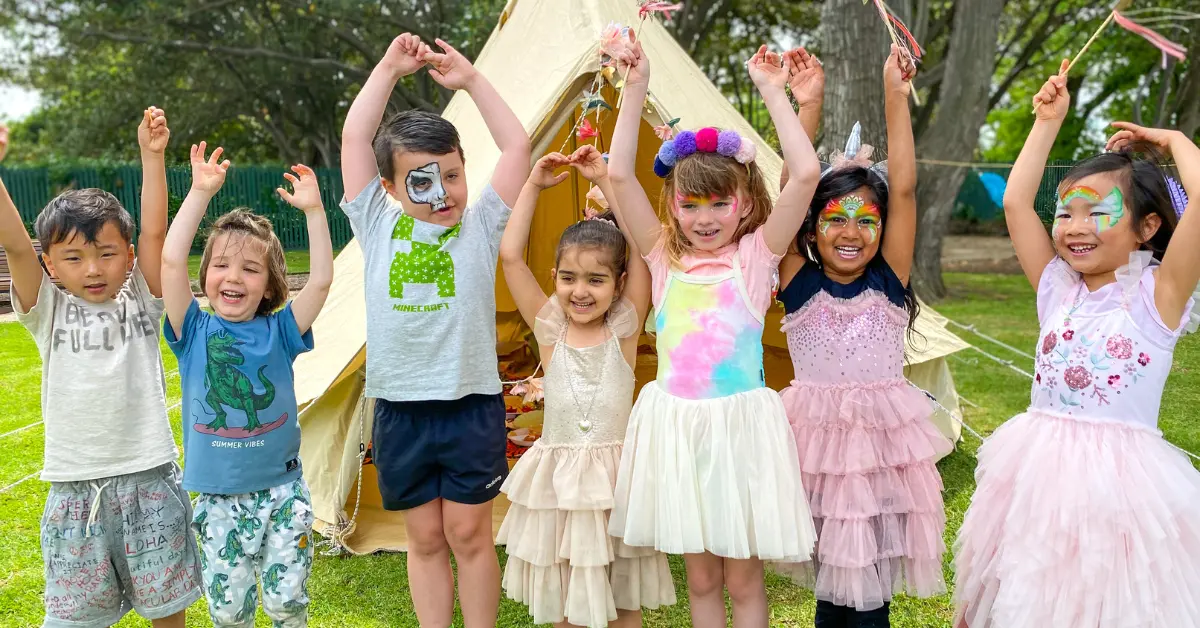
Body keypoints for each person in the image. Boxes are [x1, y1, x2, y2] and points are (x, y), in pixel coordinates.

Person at [953, 61, 1200, 628]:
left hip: (1119, 493)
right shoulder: (1055, 288)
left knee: (1096, 603)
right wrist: (1047, 122)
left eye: (1098, 213)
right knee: (1017, 592)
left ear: (1147, 228)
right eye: (1066, 212)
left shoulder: (1157, 298)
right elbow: (1017, 203)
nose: (1075, 226)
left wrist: (1173, 139)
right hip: (1035, 476)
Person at [605, 36, 819, 627]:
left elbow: (804, 174)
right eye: (690, 205)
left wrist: (773, 94)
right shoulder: (660, 259)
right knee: (701, 578)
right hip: (678, 431)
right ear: (671, 204)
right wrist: (636, 85)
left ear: (746, 205)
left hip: (740, 435)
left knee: (744, 578)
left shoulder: (755, 259)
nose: (704, 219)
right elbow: (618, 173)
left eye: (719, 205)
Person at [339, 32, 531, 627]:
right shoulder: (376, 224)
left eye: (451, 175)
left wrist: (472, 81)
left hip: (469, 404)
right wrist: (389, 69)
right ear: (391, 190)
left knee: (469, 532)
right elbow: (353, 137)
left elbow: (517, 144)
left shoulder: (480, 226)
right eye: (421, 182)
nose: (441, 193)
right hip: (399, 409)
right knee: (423, 537)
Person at [773, 47, 953, 628]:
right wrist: (808, 106)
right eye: (835, 219)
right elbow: (789, 194)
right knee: (830, 585)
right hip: (816, 452)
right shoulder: (795, 281)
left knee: (874, 588)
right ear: (811, 225)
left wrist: (895, 97)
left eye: (866, 220)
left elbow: (903, 189)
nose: (851, 232)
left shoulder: (888, 278)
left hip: (882, 453)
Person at [3, 108, 203, 628]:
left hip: (150, 480)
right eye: (72, 257)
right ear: (50, 264)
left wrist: (152, 157)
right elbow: (15, 246)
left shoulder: (141, 297)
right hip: (75, 491)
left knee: (167, 613)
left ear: (128, 256)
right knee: (74, 619)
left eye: (107, 253)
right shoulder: (47, 310)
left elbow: (157, 235)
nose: (92, 269)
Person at [496, 145, 676, 627]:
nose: (581, 291)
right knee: (564, 595)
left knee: (623, 600)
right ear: (554, 278)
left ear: (619, 284)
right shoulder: (550, 329)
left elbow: (643, 252)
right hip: (561, 484)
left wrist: (612, 188)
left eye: (597, 280)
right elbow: (511, 257)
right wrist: (532, 186)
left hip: (615, 480)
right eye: (570, 278)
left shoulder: (625, 327)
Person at [161, 144, 334, 627]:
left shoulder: (281, 331)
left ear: (270, 282)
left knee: (285, 605)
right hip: (217, 500)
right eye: (221, 265)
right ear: (206, 274)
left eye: (250, 268)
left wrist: (315, 212)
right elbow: (171, 264)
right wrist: (198, 192)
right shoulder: (193, 331)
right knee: (230, 612)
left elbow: (320, 281)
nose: (233, 277)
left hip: (282, 493)